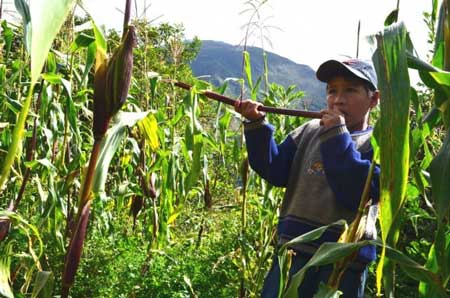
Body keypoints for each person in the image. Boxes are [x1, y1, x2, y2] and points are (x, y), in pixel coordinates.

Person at [234, 58, 381, 298]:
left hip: (343, 266)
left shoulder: (377, 144)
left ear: (373, 99)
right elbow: (275, 170)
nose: (338, 99)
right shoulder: (310, 131)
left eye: (350, 90)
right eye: (332, 91)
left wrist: (336, 135)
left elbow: (356, 192)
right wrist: (256, 125)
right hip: (293, 254)